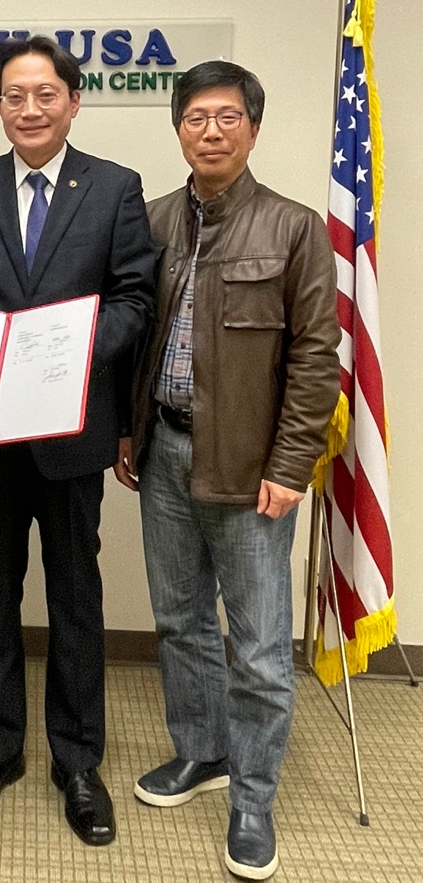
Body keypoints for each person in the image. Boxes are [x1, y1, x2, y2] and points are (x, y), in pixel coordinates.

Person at [118, 61, 340, 881]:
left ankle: (252, 798)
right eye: (196, 117)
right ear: (178, 128)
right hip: (165, 453)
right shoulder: (151, 221)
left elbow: (317, 359)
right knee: (179, 621)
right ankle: (201, 751)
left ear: (252, 127)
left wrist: (291, 463)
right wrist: (129, 432)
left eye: (227, 117)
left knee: (259, 648)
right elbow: (135, 340)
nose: (210, 131)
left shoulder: (294, 228)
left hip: (253, 471)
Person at [0, 35, 155, 846]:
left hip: (72, 433)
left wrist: (66, 350)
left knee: (75, 598)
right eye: (13, 95)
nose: (29, 109)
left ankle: (78, 763)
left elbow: (135, 299)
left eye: (45, 94)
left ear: (73, 101)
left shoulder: (115, 188)